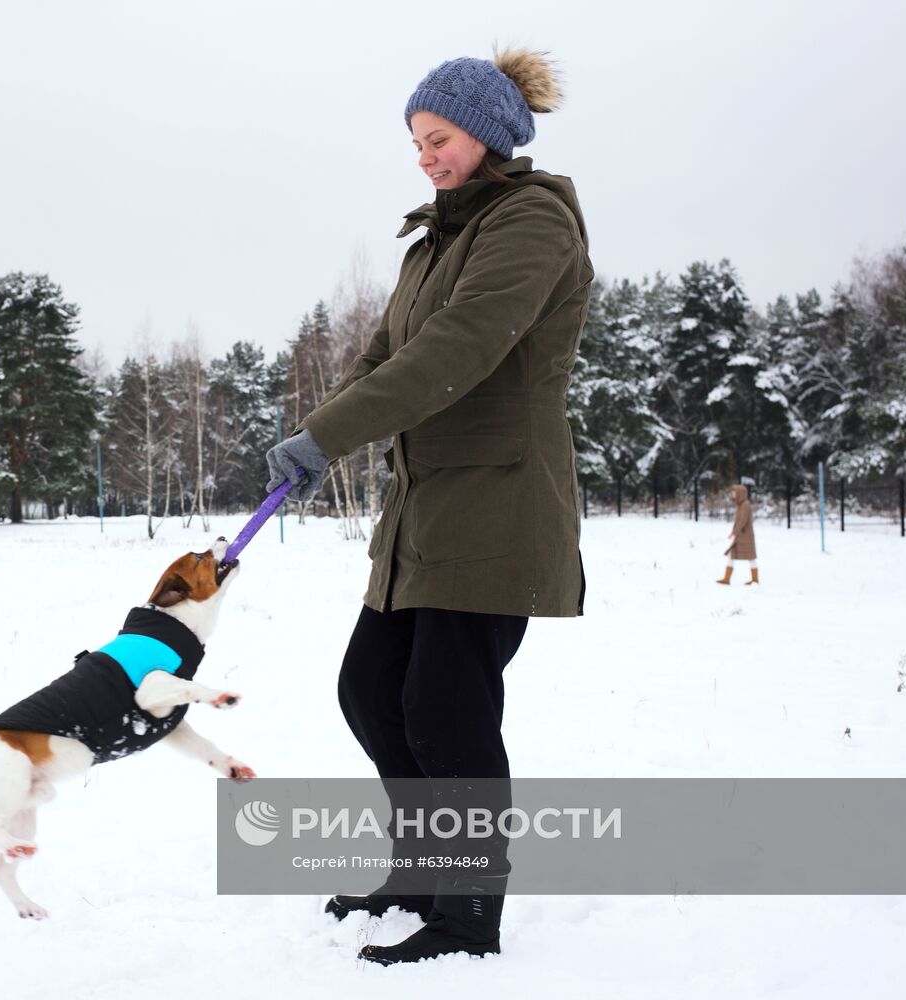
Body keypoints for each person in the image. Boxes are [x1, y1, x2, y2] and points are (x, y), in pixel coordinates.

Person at [266, 48, 591, 965]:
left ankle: (468, 914)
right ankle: (421, 872)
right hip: (423, 505)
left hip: (497, 500)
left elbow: (457, 348)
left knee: (446, 711)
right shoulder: (432, 244)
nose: (424, 156)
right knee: (371, 691)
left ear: (485, 135)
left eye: (437, 138)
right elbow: (383, 358)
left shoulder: (531, 222)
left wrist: (331, 435)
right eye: (415, 142)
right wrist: (316, 435)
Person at [718, 484, 758, 585]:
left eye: (734, 493)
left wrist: (734, 532)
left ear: (740, 493)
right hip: (740, 535)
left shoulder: (745, 505)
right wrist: (734, 532)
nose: (732, 495)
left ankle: (755, 579)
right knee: (732, 555)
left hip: (745, 536)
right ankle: (726, 579)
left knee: (750, 557)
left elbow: (743, 521)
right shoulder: (741, 505)